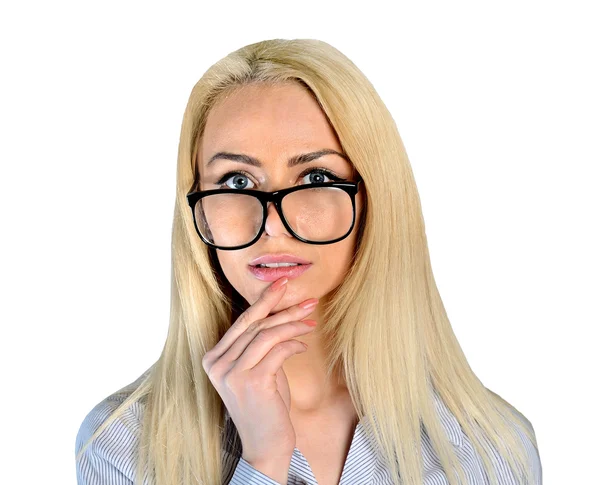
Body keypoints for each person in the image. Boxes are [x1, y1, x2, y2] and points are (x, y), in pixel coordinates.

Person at [75, 38, 542, 485]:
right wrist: (264, 460)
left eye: (316, 176)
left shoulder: (488, 447)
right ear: (199, 211)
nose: (273, 222)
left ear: (373, 199)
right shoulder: (122, 446)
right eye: (236, 182)